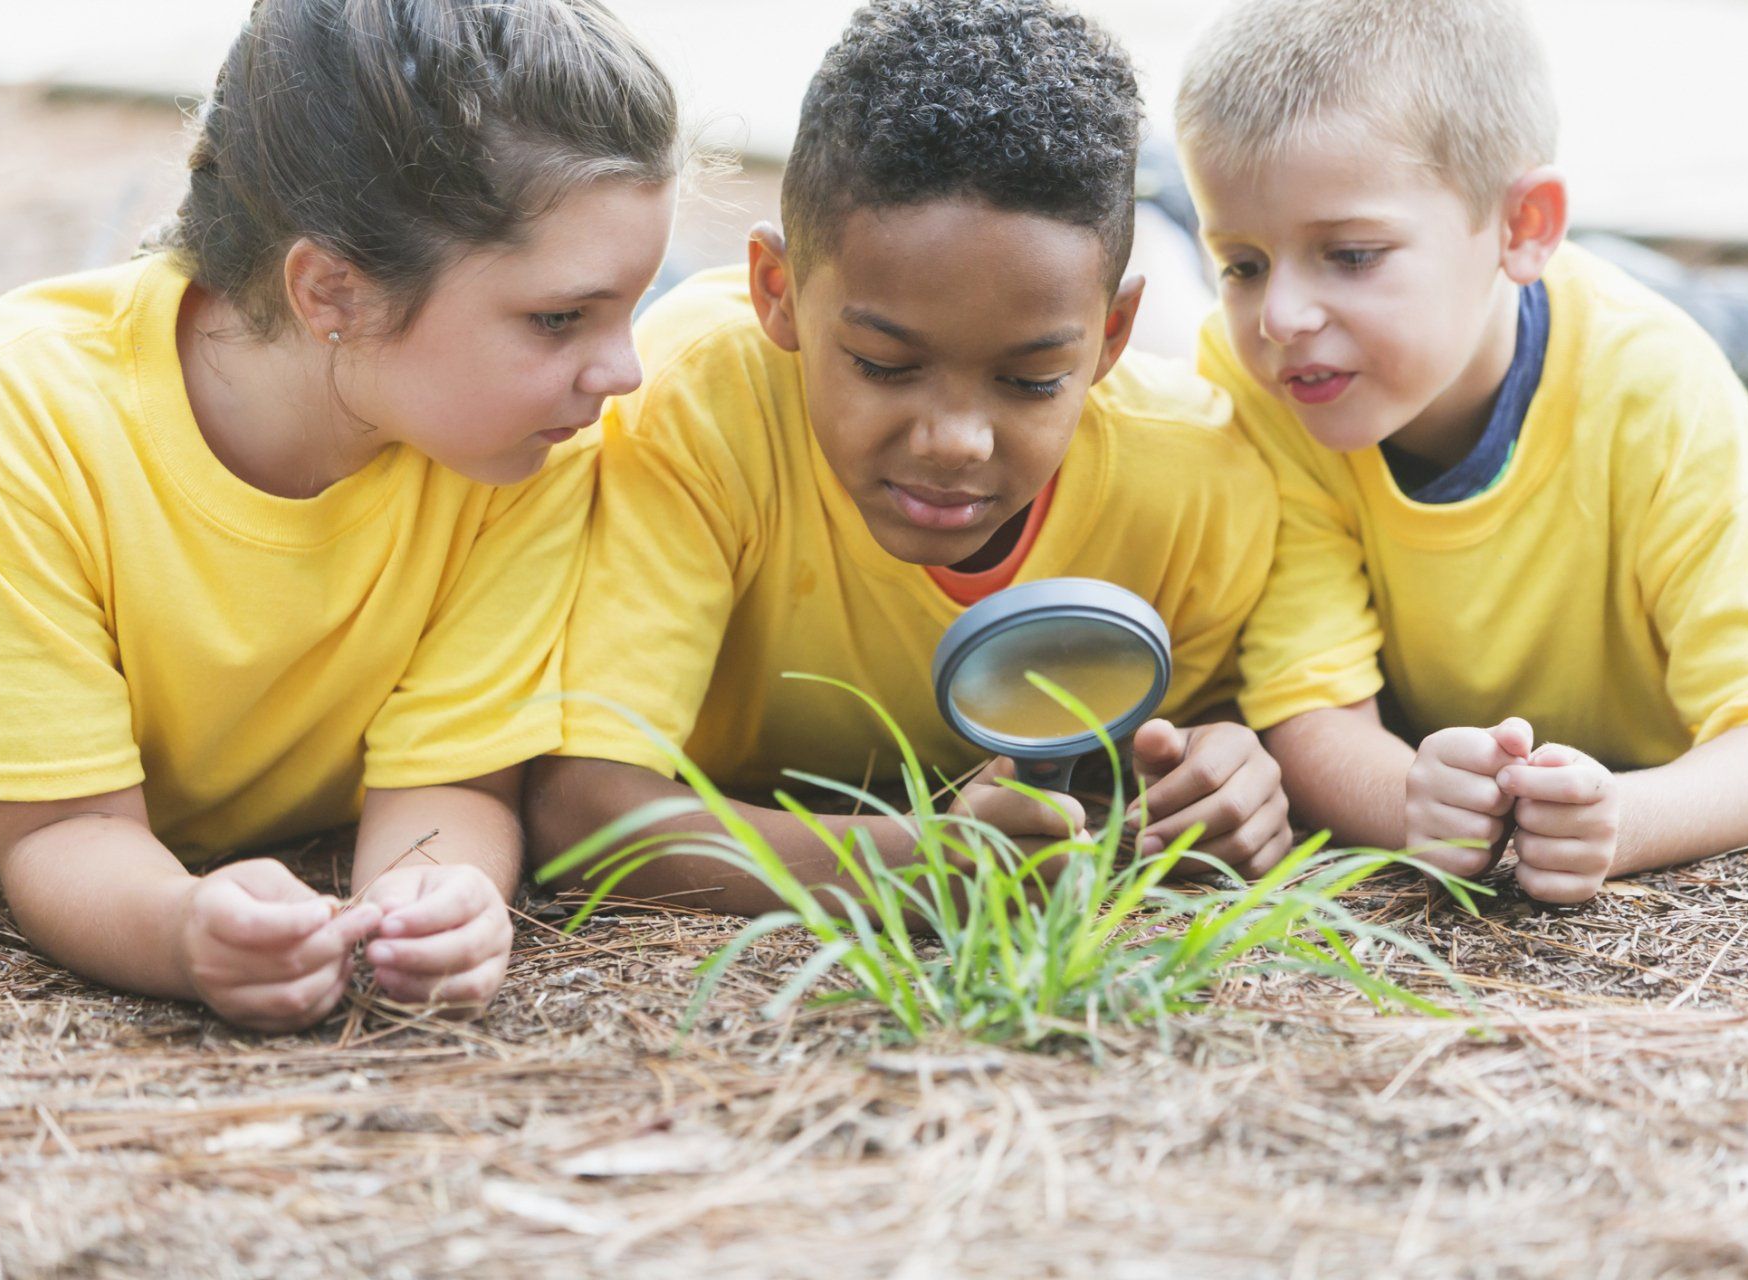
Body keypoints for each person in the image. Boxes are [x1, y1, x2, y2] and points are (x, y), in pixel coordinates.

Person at [0, 0, 680, 1028]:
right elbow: (62, 827)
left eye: (631, 305)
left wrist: (434, 900)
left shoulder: (526, 450)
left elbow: (452, 777)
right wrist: (179, 925)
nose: (622, 370)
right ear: (332, 291)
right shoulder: (20, 416)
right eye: (559, 317)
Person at [527, 0, 1287, 913]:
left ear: (1112, 335)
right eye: (885, 364)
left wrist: (1223, 776)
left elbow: (1203, 741)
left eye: (1034, 379)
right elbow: (583, 814)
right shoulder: (696, 402)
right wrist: (919, 859)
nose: (954, 440)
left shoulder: (1198, 480)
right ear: (779, 292)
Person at [1174, 0, 1748, 903]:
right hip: (1495, 317)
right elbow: (1307, 701)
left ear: (1523, 226)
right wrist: (1409, 803)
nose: (1279, 317)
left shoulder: (1657, 388)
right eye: (1241, 264)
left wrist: (1626, 815)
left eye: (1349, 254)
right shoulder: (1258, 374)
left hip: (1685, 339)